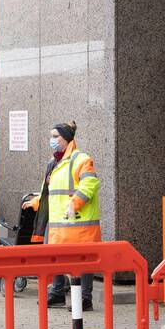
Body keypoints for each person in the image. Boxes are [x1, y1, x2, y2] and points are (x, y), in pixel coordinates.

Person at [42, 121, 101, 311]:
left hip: (80, 224)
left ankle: (85, 299)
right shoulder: (53, 163)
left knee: (83, 262)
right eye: (50, 136)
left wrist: (75, 203)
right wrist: (36, 202)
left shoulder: (81, 159)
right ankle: (58, 293)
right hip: (60, 225)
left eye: (55, 137)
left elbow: (90, 184)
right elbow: (51, 192)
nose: (52, 140)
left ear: (67, 139)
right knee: (56, 258)